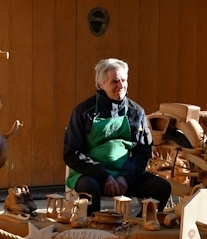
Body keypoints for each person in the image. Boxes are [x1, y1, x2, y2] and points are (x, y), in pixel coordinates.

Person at [63, 58, 171, 215]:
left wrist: (125, 177)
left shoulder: (136, 112)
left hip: (125, 175)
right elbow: (71, 153)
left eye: (124, 80)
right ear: (101, 84)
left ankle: (140, 224)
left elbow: (144, 151)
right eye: (115, 81)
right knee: (89, 189)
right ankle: (92, 227)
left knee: (161, 188)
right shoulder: (84, 112)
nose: (121, 86)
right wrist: (104, 176)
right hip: (91, 174)